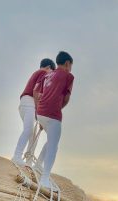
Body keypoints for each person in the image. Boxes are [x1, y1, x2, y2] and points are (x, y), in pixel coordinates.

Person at [34, 51, 74, 188]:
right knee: (53, 146)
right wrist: (58, 108)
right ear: (68, 63)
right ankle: (44, 179)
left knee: (51, 140)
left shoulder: (47, 75)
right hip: (52, 114)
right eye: (71, 65)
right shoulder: (68, 76)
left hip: (41, 112)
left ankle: (38, 164)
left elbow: (38, 93)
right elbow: (67, 98)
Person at [12, 58, 56, 166]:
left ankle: (30, 162)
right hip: (29, 101)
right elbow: (35, 92)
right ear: (49, 68)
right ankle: (17, 156)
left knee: (32, 134)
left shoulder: (39, 74)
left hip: (26, 103)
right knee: (29, 130)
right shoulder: (43, 72)